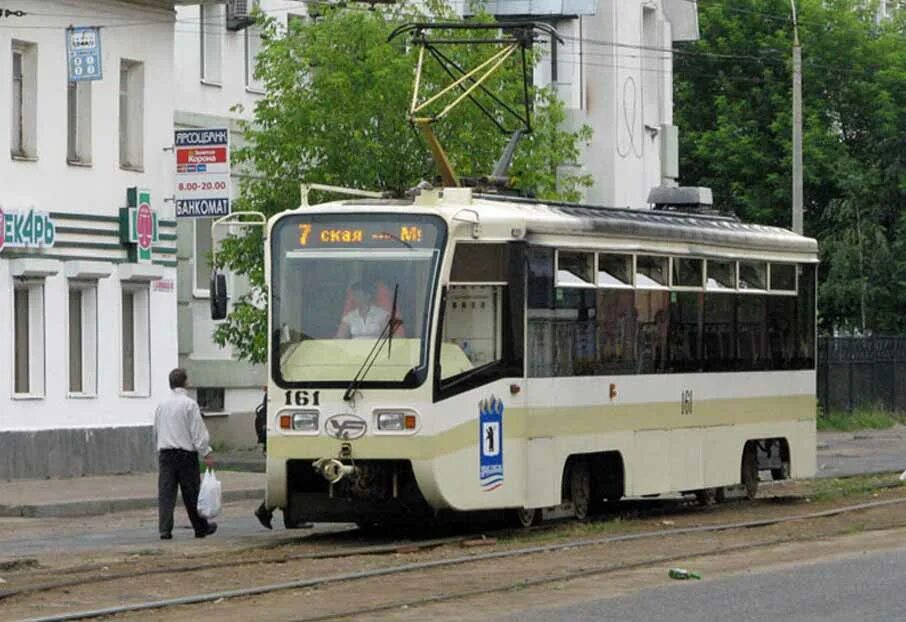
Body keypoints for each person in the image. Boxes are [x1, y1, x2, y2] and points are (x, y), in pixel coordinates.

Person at [154, 368, 218, 540]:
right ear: (185, 382)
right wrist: (206, 452)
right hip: (185, 455)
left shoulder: (162, 405)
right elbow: (197, 432)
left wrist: (160, 447)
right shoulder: (189, 404)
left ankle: (165, 529)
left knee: (166, 493)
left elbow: (156, 429)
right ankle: (200, 527)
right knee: (192, 493)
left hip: (166, 454)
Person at [253, 390, 312, 530]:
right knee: (290, 479)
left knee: (289, 479)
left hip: (281, 436)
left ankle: (276, 515)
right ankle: (267, 512)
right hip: (285, 437)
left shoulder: (274, 392)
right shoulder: (280, 391)